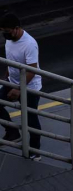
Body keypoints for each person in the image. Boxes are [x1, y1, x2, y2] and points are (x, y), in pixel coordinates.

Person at [0, 12, 41, 154]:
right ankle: (12, 132)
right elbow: (10, 62)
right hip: (12, 82)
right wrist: (6, 80)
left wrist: (18, 89)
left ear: (17, 28)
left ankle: (35, 152)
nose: (5, 35)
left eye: (7, 32)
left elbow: (32, 70)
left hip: (30, 86)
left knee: (30, 119)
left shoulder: (29, 44)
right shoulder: (9, 40)